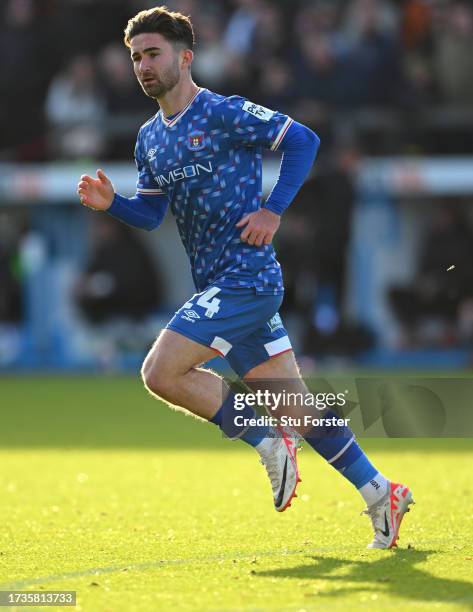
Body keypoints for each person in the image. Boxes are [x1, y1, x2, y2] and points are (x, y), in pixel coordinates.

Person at [77, 6, 413, 549]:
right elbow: (151, 213)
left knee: (161, 372)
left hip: (246, 279)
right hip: (217, 284)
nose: (142, 65)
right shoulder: (148, 139)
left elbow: (303, 140)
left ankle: (264, 439)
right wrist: (114, 203)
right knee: (296, 405)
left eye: (153, 53)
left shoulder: (223, 111)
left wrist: (274, 209)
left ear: (185, 57)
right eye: (135, 56)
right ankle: (382, 493)